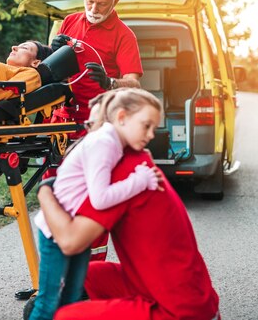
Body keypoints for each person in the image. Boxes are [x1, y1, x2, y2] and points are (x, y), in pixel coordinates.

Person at [36, 98, 221, 320]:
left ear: (116, 121)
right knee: (88, 274)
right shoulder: (137, 160)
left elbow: (70, 241)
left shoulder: (123, 172)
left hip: (179, 312)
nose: (89, 135)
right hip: (181, 292)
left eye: (92, 125)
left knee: (66, 316)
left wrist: (44, 192)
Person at [29, 88, 164, 320]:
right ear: (122, 117)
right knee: (48, 301)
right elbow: (100, 198)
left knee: (72, 298)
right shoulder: (104, 143)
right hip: (55, 232)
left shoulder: (114, 141)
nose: (151, 134)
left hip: (77, 228)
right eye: (146, 126)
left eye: (154, 128)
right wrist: (139, 181)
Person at [44, 0, 145, 264]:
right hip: (64, 121)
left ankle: (92, 274)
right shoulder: (70, 21)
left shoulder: (124, 35)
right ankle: (53, 270)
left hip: (99, 124)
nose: (94, 9)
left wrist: (111, 83)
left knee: (93, 197)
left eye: (102, 3)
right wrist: (54, 52)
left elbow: (134, 82)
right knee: (57, 194)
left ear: (116, 1)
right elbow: (50, 66)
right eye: (90, 1)